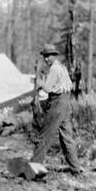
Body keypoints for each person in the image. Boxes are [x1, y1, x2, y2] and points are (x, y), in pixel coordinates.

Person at [30, 43, 83, 175]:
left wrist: (39, 84)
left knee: (44, 136)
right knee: (67, 138)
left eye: (49, 56)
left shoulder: (54, 69)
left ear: (54, 55)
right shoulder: (62, 68)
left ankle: (33, 169)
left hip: (57, 104)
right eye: (45, 56)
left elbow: (47, 89)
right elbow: (69, 85)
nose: (46, 59)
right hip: (65, 104)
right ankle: (76, 169)